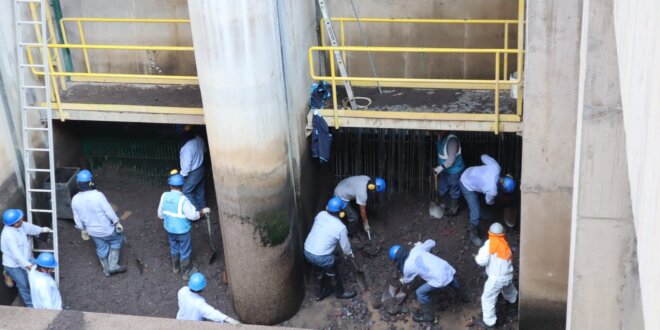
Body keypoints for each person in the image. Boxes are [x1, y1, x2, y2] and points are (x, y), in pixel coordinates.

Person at [389, 240, 468, 323]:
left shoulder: (407, 267)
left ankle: (428, 316)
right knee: (450, 278)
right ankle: (465, 297)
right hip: (445, 267)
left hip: (439, 279)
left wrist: (402, 280)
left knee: (420, 293)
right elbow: (432, 242)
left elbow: (407, 280)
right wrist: (421, 244)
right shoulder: (417, 249)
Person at [71, 169, 127, 277]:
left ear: (78, 184)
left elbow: (77, 218)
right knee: (116, 240)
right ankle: (113, 266)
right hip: (107, 229)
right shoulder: (98, 195)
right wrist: (116, 222)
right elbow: (108, 211)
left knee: (101, 247)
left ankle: (106, 270)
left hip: (92, 232)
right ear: (91, 182)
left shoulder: (75, 199)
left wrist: (82, 229)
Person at [157, 173, 209, 280]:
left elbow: (160, 215)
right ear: (182, 186)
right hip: (183, 231)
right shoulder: (184, 200)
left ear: (170, 186)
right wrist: (203, 211)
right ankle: (186, 273)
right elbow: (193, 216)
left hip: (170, 230)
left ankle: (175, 268)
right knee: (185, 250)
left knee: (174, 248)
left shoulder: (164, 196)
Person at [303, 197, 356, 301]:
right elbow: (345, 248)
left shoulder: (320, 214)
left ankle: (320, 293)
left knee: (319, 267)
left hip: (307, 252)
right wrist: (350, 255)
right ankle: (340, 293)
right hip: (321, 257)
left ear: (328, 208)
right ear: (341, 212)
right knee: (333, 271)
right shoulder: (341, 227)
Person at [459, 154, 516, 247]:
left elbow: (483, 157)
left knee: (480, 198)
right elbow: (488, 202)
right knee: (475, 211)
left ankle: (482, 212)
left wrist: (484, 172)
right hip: (466, 183)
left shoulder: (496, 167)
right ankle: (473, 234)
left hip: (469, 171)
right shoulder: (492, 191)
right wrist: (495, 201)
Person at [0, 209, 53, 307]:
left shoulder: (20, 225)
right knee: (23, 284)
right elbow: (17, 255)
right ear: (15, 223)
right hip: (13, 264)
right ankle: (30, 305)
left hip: (26, 257)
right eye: (20, 219)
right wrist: (29, 266)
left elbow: (30, 228)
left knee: (39, 274)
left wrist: (41, 229)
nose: (22, 220)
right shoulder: (8, 236)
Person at [475, 223, 518, 329]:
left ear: (490, 233)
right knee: (509, 289)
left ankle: (489, 324)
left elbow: (482, 261)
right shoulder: (505, 244)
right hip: (508, 275)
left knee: (487, 299)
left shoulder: (489, 244)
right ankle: (513, 304)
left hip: (496, 278)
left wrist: (476, 257)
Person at [432, 131, 465, 216]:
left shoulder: (452, 141)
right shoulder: (440, 137)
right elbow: (442, 154)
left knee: (454, 190)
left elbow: (451, 160)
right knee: (441, 187)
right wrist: (439, 167)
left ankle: (454, 210)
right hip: (444, 170)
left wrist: (439, 168)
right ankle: (446, 205)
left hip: (455, 171)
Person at [178, 125, 207, 211]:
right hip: (201, 167)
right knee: (199, 191)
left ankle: (196, 212)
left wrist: (182, 175)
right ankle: (204, 209)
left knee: (186, 192)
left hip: (193, 172)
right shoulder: (199, 138)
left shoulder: (186, 148)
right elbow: (204, 150)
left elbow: (186, 166)